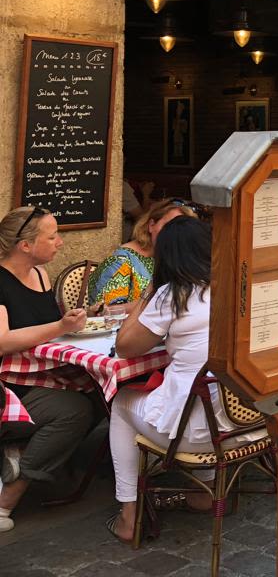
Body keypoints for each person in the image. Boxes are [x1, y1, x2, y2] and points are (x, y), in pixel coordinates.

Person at [106, 217, 231, 541]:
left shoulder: (173, 294)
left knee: (120, 402)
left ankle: (128, 516)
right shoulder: (234, 287)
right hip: (246, 425)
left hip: (199, 433)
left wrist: (149, 293)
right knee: (204, 391)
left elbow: (125, 346)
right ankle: (205, 491)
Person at [0, 207, 95, 533]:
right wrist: (60, 326)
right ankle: (7, 499)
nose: (60, 243)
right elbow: (3, 341)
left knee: (102, 394)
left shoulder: (40, 273)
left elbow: (48, 330)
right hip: (9, 386)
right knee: (75, 410)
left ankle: (23, 453)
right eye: (52, 236)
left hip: (42, 374)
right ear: (25, 245)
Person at [87, 199, 194, 311]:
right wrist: (157, 301)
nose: (174, 234)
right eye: (168, 226)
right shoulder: (122, 260)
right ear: (151, 225)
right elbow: (106, 310)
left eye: (181, 230)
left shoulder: (177, 259)